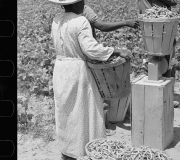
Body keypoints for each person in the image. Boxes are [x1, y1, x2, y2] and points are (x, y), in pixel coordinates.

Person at [49, 0, 133, 159]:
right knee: (83, 111)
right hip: (77, 71)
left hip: (60, 69)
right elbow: (91, 50)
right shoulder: (80, 21)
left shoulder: (56, 19)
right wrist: (116, 51)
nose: (84, 4)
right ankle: (83, 150)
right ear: (77, 4)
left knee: (66, 112)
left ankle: (68, 150)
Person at [138, 0, 179, 107]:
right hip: (159, 25)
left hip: (151, 24)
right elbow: (173, 1)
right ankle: (164, 98)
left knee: (154, 59)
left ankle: (160, 97)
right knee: (165, 60)